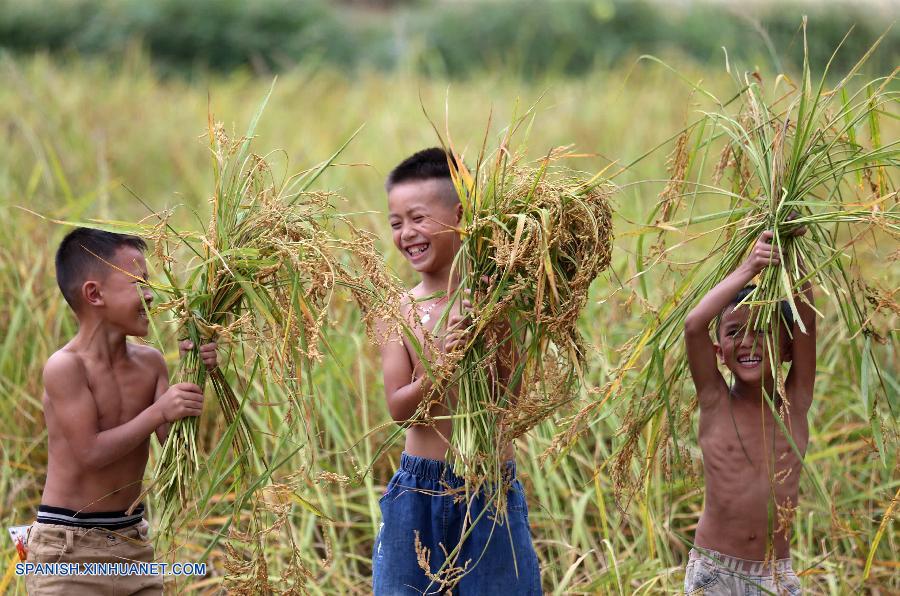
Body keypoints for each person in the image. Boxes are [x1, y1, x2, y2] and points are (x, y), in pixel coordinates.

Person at [372, 148, 542, 594]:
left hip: (490, 489)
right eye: (396, 223)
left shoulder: (496, 305)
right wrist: (443, 366)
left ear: (461, 216)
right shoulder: (399, 311)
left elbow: (509, 397)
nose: (407, 233)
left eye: (419, 218)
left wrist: (492, 325)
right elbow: (400, 411)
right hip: (418, 490)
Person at [25, 227, 217, 595]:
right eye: (137, 282)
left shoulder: (151, 364)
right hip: (68, 551)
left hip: (132, 545)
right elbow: (90, 453)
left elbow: (177, 450)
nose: (150, 295)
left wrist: (198, 371)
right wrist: (159, 411)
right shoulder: (65, 367)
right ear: (94, 294)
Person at [682, 229, 815, 595]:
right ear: (719, 352)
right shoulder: (715, 402)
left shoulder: (796, 402)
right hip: (716, 573)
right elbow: (694, 325)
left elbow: (808, 320)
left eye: (762, 329)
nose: (747, 341)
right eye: (734, 332)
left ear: (787, 347)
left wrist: (790, 251)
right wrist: (749, 268)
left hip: (774, 575)